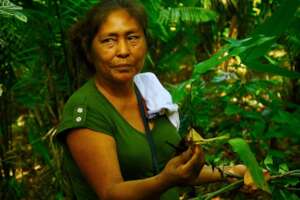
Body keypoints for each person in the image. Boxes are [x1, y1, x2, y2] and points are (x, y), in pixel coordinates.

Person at [56, 0, 247, 199]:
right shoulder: (86, 109)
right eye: (109, 41)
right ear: (89, 50)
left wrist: (233, 172)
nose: (123, 51)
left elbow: (175, 171)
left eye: (132, 38)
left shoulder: (149, 92)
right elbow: (110, 193)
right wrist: (166, 180)